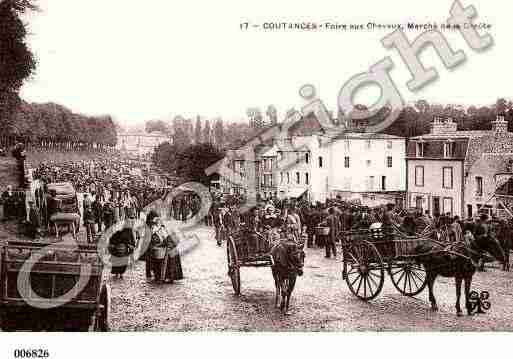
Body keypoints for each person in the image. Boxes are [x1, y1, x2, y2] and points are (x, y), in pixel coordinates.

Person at [148, 212, 184, 284]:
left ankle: (170, 277)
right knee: (171, 262)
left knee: (171, 262)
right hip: (170, 246)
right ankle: (169, 277)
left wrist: (163, 244)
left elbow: (166, 239)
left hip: (170, 246)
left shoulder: (163, 229)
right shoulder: (161, 228)